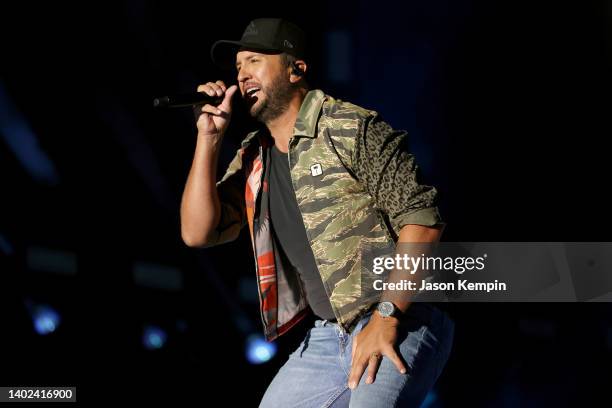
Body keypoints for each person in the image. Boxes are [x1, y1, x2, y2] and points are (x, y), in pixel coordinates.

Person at [180, 18, 454, 407]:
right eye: (237, 67)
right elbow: (198, 232)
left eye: (254, 61)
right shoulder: (253, 156)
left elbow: (423, 219)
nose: (241, 76)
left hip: (401, 316)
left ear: (296, 69)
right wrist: (208, 138)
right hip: (329, 335)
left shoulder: (347, 126)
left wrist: (387, 317)